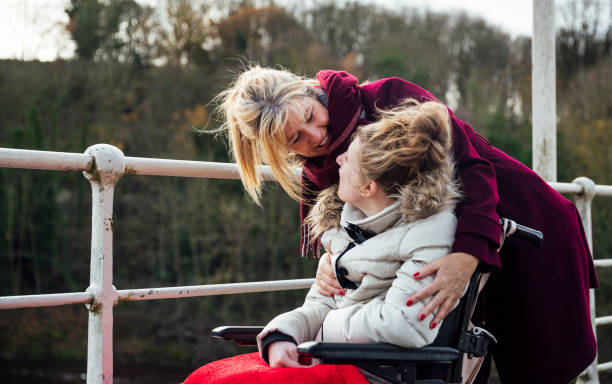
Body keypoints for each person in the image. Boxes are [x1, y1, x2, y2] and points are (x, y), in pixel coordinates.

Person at [212, 65, 598, 383]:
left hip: (517, 220)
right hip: (444, 244)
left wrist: (466, 256)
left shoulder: (387, 98)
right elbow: (341, 232)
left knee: (536, 358)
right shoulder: (317, 172)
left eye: (312, 117)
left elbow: (473, 169)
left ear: (312, 93)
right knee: (466, 353)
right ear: (284, 149)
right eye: (297, 138)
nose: (318, 136)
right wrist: (331, 260)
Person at [259, 100, 461, 372]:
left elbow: (406, 324)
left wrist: (325, 329)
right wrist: (281, 335)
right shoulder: (342, 226)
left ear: (368, 186)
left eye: (349, 158)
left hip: (377, 372)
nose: (339, 159)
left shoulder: (428, 233)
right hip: (330, 356)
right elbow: (320, 304)